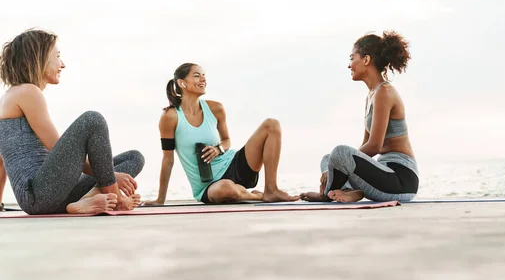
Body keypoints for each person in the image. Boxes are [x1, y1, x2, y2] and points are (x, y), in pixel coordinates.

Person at [0, 29, 145, 215]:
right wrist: (111, 177)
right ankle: (114, 198)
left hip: (53, 194)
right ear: (39, 57)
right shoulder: (28, 92)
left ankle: (86, 199)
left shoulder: (11, 97)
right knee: (92, 120)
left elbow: (2, 160)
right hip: (39, 194)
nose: (63, 64)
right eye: (57, 56)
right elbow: (55, 147)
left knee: (133, 158)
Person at [145, 63, 299, 205]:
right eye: (197, 75)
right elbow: (168, 159)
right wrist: (160, 199)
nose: (203, 79)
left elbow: (226, 140)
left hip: (234, 163)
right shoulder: (170, 117)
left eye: (204, 75)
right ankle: (257, 195)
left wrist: (218, 149)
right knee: (225, 190)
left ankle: (271, 189)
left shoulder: (216, 108)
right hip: (209, 185)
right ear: (181, 83)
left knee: (271, 125)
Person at [300, 31, 419, 203]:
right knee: (328, 158)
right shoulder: (371, 95)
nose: (349, 65)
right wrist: (337, 165)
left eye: (352, 58)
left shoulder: (384, 93)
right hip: (381, 176)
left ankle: (327, 194)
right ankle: (351, 191)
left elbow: (374, 146)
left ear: (366, 60)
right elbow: (365, 146)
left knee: (339, 153)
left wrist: (339, 164)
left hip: (401, 180)